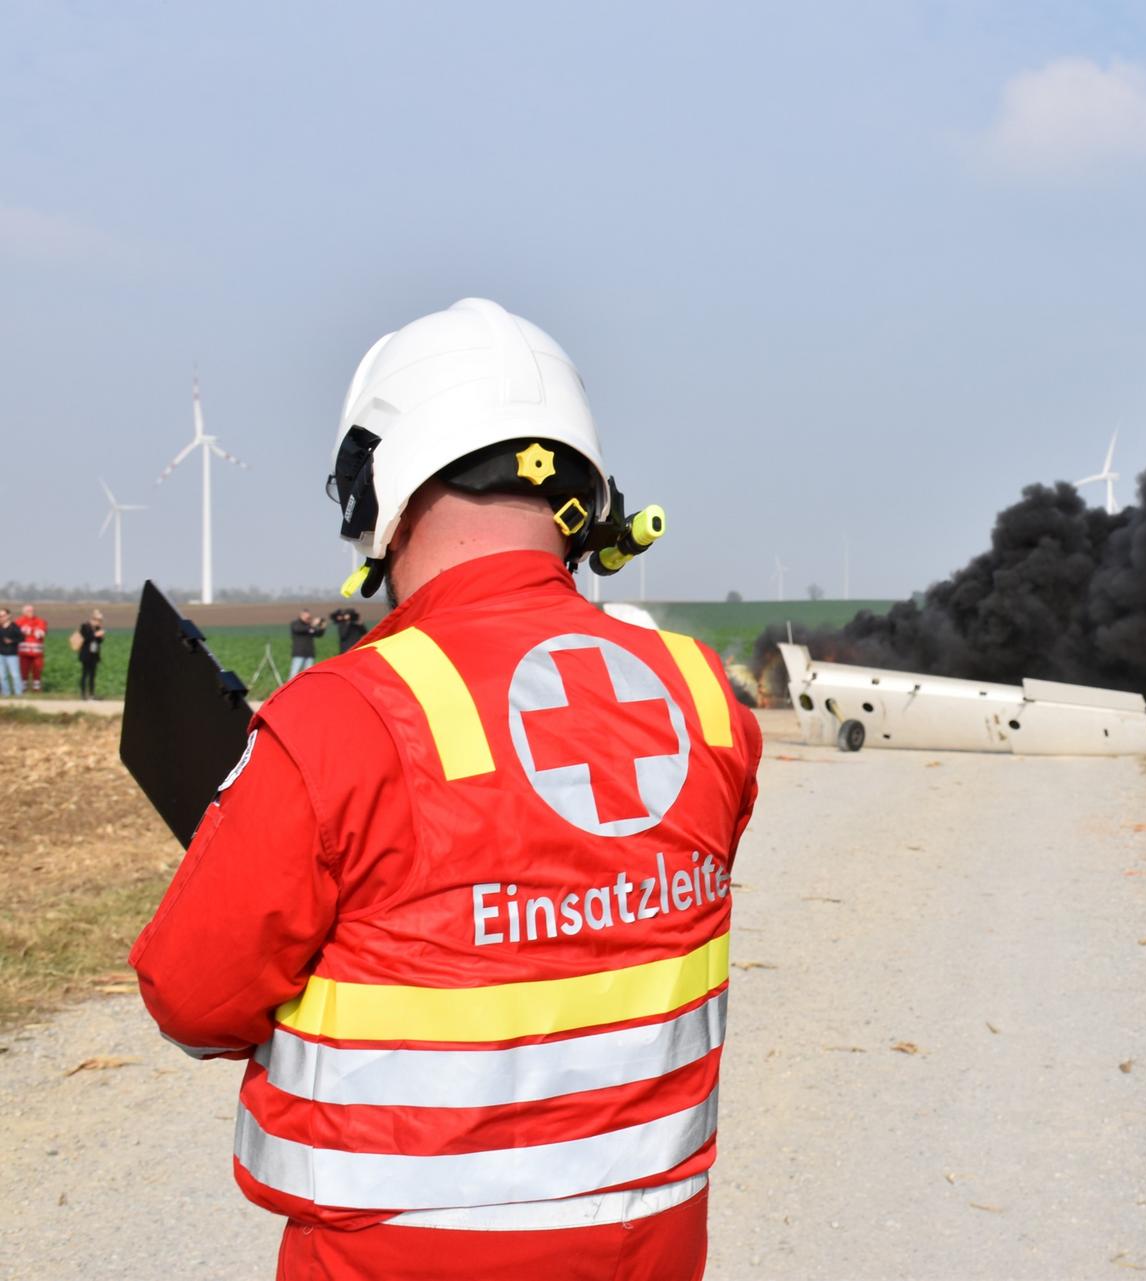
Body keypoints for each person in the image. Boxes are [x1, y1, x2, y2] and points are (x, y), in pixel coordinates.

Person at [131, 298, 761, 1281]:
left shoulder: (340, 718)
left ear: (374, 488)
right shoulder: (703, 699)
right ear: (587, 491)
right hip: (654, 1252)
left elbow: (193, 998)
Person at [16, 604, 47, 693]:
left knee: (37, 671)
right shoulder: (19, 621)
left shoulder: (40, 621)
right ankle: (23, 688)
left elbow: (40, 633)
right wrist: (34, 630)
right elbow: (18, 632)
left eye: (32, 610)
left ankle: (36, 689)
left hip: (37, 652)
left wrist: (29, 630)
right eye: (29, 611)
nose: (31, 612)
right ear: (24, 612)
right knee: (23, 671)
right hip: (23, 652)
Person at [287, 609, 325, 677]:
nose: (308, 618)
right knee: (294, 673)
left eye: (309, 617)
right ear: (301, 615)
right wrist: (313, 625)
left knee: (308, 674)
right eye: (306, 616)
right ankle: (291, 687)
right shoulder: (296, 624)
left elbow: (318, 634)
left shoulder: (309, 626)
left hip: (309, 654)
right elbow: (299, 629)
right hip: (299, 653)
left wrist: (322, 627)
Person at [77, 610, 106, 700]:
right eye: (98, 620)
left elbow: (99, 642)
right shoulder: (85, 626)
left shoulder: (98, 628)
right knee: (85, 674)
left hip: (94, 654)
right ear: (93, 618)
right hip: (86, 654)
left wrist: (101, 637)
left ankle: (91, 694)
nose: (99, 622)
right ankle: (83, 694)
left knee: (93, 675)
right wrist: (96, 635)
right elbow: (86, 638)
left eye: (100, 620)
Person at [0, 609, 20, 696]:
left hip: (12, 654)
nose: (1, 618)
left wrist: (12, 641)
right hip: (1, 654)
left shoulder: (14, 627)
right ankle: (6, 693)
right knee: (2, 676)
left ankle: (18, 694)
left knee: (15, 675)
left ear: (8, 616)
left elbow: (22, 638)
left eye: (3, 615)